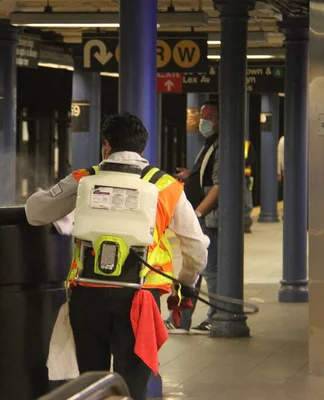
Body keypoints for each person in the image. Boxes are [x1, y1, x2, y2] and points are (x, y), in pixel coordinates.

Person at [25, 112, 209, 400]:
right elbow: (196, 246)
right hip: (140, 299)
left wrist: (45, 193)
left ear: (106, 146)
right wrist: (186, 282)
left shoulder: (85, 179)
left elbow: (36, 214)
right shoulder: (166, 187)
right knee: (131, 386)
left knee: (92, 382)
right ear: (142, 149)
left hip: (88, 296)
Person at [165, 100, 220, 334]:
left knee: (211, 271)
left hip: (209, 219)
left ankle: (216, 318)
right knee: (195, 271)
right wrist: (192, 176)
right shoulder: (209, 144)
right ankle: (180, 318)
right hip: (203, 218)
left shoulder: (222, 146)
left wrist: (197, 213)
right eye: (202, 116)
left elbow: (220, 186)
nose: (203, 121)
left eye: (209, 116)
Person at [244, 139, 256, 233]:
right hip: (239, 177)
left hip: (245, 177)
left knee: (246, 202)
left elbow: (251, 159)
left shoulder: (247, 144)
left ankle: (246, 224)